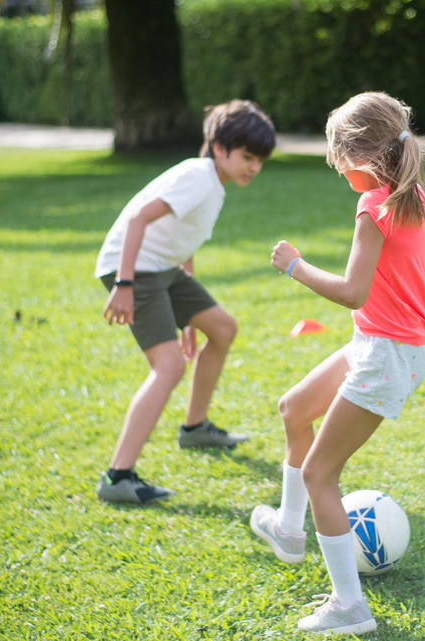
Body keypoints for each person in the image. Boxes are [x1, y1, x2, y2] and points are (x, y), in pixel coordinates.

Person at [252, 92, 425, 635]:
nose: (338, 173)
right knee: (294, 407)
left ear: (358, 159)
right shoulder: (413, 197)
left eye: (338, 163)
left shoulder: (373, 206)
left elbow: (353, 292)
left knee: (320, 474)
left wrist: (294, 265)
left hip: (385, 355)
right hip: (385, 348)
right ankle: (290, 532)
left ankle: (350, 607)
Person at [93, 100, 276, 504]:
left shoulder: (213, 184)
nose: (254, 167)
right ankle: (117, 476)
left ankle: (195, 428)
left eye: (259, 160)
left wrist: (189, 318)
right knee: (170, 365)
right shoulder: (199, 177)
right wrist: (123, 284)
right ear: (219, 147)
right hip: (135, 267)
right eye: (247, 157)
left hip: (162, 267)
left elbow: (184, 244)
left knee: (222, 328)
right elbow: (139, 219)